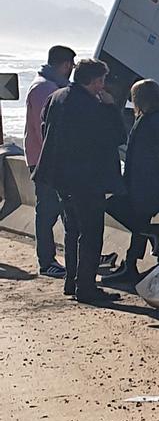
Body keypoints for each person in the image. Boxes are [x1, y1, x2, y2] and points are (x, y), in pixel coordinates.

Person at [34, 58, 126, 304]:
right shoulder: (92, 107)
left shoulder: (57, 97)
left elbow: (45, 129)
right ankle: (86, 288)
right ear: (94, 81)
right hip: (87, 179)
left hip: (61, 177)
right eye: (102, 80)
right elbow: (117, 136)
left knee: (72, 229)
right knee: (91, 233)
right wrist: (111, 107)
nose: (103, 86)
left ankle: (71, 281)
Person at [104, 80, 159, 287]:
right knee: (138, 220)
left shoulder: (155, 120)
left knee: (117, 208)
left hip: (148, 182)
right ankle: (131, 264)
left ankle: (153, 235)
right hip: (146, 180)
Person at [22, 44, 74, 278]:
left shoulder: (44, 84)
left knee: (63, 209)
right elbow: (45, 130)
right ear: (64, 65)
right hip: (46, 161)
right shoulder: (46, 89)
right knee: (48, 211)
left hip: (44, 159)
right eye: (71, 65)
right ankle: (47, 261)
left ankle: (74, 252)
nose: (72, 69)